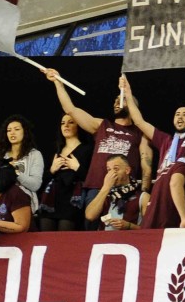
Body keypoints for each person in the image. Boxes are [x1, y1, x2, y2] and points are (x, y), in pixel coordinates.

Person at [43, 69, 153, 224]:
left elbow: (146, 166)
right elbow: (71, 110)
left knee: (120, 232)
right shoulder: (102, 125)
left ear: (133, 105)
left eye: (122, 99)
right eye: (115, 100)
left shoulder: (140, 133)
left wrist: (143, 195)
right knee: (92, 232)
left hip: (124, 190)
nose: (117, 103)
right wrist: (58, 82)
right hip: (96, 188)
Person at [120, 75, 185, 171]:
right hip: (162, 180)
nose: (180, 117)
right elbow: (139, 122)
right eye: (177, 114)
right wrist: (128, 93)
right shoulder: (165, 140)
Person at [39, 114, 92, 231]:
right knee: (46, 236)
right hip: (51, 199)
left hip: (72, 200)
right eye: (63, 123)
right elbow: (41, 180)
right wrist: (52, 170)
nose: (66, 126)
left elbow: (92, 179)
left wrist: (77, 167)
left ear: (79, 126)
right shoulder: (55, 149)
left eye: (71, 122)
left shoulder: (87, 149)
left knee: (65, 236)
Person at [140, 140, 185, 230]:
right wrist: (184, 218)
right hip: (164, 227)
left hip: (151, 223)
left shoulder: (170, 167)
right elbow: (175, 184)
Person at [0, 115, 44, 215]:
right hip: (2, 202)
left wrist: (15, 172)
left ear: (25, 132)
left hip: (24, 203)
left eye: (16, 129)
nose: (12, 133)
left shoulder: (34, 154)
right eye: (9, 130)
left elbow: (35, 185)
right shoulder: (0, 156)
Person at [85, 155, 143, 231]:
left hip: (129, 237)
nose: (112, 173)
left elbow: (150, 230)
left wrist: (129, 226)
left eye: (116, 169)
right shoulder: (105, 194)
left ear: (127, 170)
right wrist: (106, 187)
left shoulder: (142, 196)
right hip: (104, 237)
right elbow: (90, 216)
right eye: (109, 170)